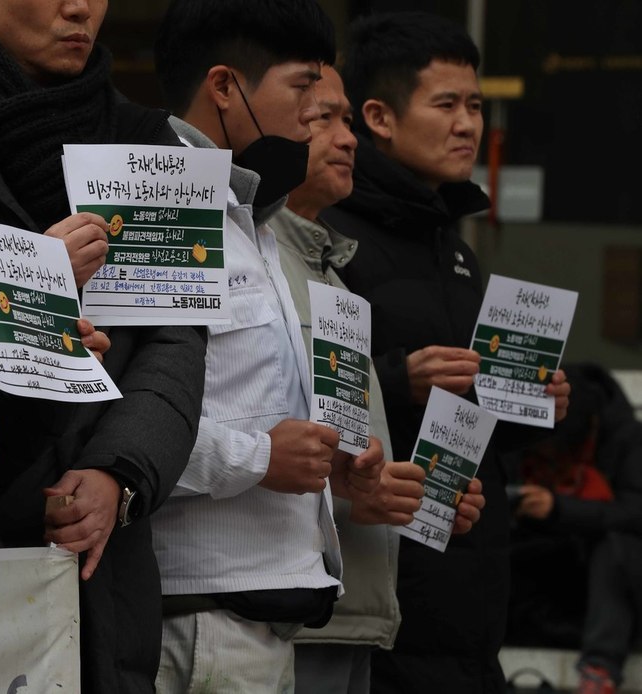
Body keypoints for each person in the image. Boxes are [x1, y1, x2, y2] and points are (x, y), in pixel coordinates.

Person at [0, 2, 208, 691]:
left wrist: (118, 476)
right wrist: (35, 278)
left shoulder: (143, 142)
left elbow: (175, 340)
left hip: (99, 556)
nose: (81, 8)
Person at [325, 12, 570, 693]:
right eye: (447, 105)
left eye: (475, 106)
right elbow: (296, 395)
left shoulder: (456, 251)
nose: (468, 125)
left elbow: (480, 422)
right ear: (378, 115)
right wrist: (396, 379)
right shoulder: (328, 236)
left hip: (472, 601)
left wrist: (533, 402)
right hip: (372, 606)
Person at [149, 3, 390, 691]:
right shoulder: (159, 211)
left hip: (262, 626)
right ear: (225, 87)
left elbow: (245, 401)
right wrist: (259, 457)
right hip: (199, 626)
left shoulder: (250, 215)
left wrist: (330, 470)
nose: (314, 113)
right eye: (301, 87)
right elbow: (118, 423)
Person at [272, 63, 485, 694]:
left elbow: (348, 445)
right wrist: (399, 381)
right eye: (322, 120)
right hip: (285, 608)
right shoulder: (252, 258)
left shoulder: (334, 269)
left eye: (476, 104)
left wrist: (429, 495)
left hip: (364, 605)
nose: (347, 140)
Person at [508, 363, 642, 694]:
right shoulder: (519, 436)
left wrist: (558, 509)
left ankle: (599, 669)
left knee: (618, 543)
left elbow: (635, 513)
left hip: (607, 593)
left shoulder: (627, 442)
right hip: (535, 585)